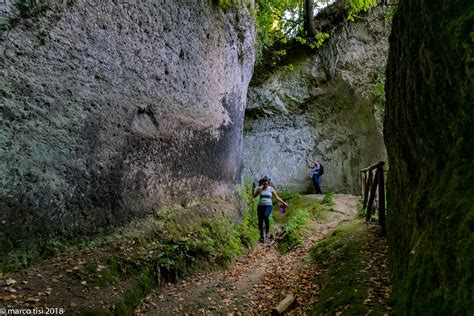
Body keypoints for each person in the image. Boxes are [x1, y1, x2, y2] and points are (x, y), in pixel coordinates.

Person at [253, 176, 288, 243]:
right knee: (260, 221)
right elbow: (254, 196)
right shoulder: (259, 189)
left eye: (266, 184)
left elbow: (277, 197)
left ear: (268, 183)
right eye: (264, 184)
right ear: (262, 183)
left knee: (266, 216)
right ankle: (261, 236)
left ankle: (267, 231)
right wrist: (253, 189)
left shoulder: (271, 189)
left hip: (268, 206)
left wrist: (283, 202)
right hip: (260, 206)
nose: (265, 185)